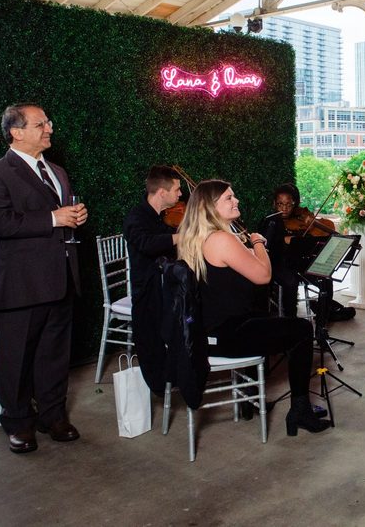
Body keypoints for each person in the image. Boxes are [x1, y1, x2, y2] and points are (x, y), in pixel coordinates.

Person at [0, 104, 88, 454]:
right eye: (41, 124)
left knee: (54, 356)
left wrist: (74, 216)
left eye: (48, 122)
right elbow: (0, 224)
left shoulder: (57, 170)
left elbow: (60, 215)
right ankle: (18, 423)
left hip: (60, 278)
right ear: (16, 132)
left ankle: (52, 416)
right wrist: (55, 219)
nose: (49, 129)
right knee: (16, 359)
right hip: (20, 285)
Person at [177, 180, 330, 435]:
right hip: (227, 334)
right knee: (302, 330)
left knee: (261, 315)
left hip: (211, 330)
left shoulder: (198, 237)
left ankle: (250, 398)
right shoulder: (221, 239)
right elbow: (263, 276)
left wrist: (243, 244)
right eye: (229, 198)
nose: (236, 201)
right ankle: (299, 411)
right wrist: (258, 243)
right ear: (211, 206)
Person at [257, 183, 354, 327]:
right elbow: (265, 248)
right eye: (280, 204)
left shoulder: (300, 218)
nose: (284, 208)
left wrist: (309, 230)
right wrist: (283, 241)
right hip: (279, 264)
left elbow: (311, 244)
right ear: (274, 204)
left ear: (294, 204)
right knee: (290, 282)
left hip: (299, 262)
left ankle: (322, 322)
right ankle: (291, 324)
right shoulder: (270, 221)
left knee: (325, 277)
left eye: (289, 205)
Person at [122, 165, 183, 394]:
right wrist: (181, 236)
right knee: (150, 337)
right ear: (161, 192)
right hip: (147, 289)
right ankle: (161, 383)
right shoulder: (136, 217)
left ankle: (178, 372)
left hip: (162, 285)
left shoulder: (157, 216)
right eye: (176, 190)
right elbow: (148, 244)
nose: (180, 194)